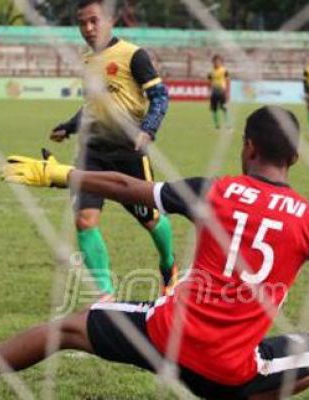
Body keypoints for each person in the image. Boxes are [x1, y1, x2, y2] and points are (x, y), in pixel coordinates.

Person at [0, 106, 309, 400]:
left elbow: (128, 185)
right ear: (296, 157)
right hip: (232, 372)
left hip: (163, 340)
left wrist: (58, 174)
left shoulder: (216, 190)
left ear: (248, 147)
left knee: (66, 328)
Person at [50, 0, 177, 299]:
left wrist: (148, 129)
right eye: (82, 23)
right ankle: (105, 297)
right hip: (92, 153)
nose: (88, 28)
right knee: (85, 221)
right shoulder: (87, 61)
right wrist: (69, 126)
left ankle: (168, 265)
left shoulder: (133, 55)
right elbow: (94, 109)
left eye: (94, 21)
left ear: (109, 21)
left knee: (151, 219)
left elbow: (160, 96)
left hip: (128, 153)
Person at [208, 54, 229, 129]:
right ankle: (217, 124)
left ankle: (227, 124)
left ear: (221, 62)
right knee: (214, 109)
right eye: (215, 61)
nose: (217, 63)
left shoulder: (224, 70)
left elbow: (227, 81)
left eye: (218, 61)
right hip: (214, 92)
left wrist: (227, 92)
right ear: (213, 62)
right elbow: (209, 81)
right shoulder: (211, 72)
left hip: (221, 91)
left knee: (224, 108)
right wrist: (209, 91)